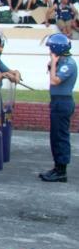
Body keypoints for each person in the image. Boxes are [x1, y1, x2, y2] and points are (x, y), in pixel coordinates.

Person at [42, 33, 74, 183]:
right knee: (55, 137)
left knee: (60, 137)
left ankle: (61, 171)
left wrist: (54, 63)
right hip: (57, 102)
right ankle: (57, 167)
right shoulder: (63, 62)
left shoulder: (69, 63)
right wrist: (53, 63)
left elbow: (55, 81)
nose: (49, 52)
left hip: (63, 102)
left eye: (51, 49)